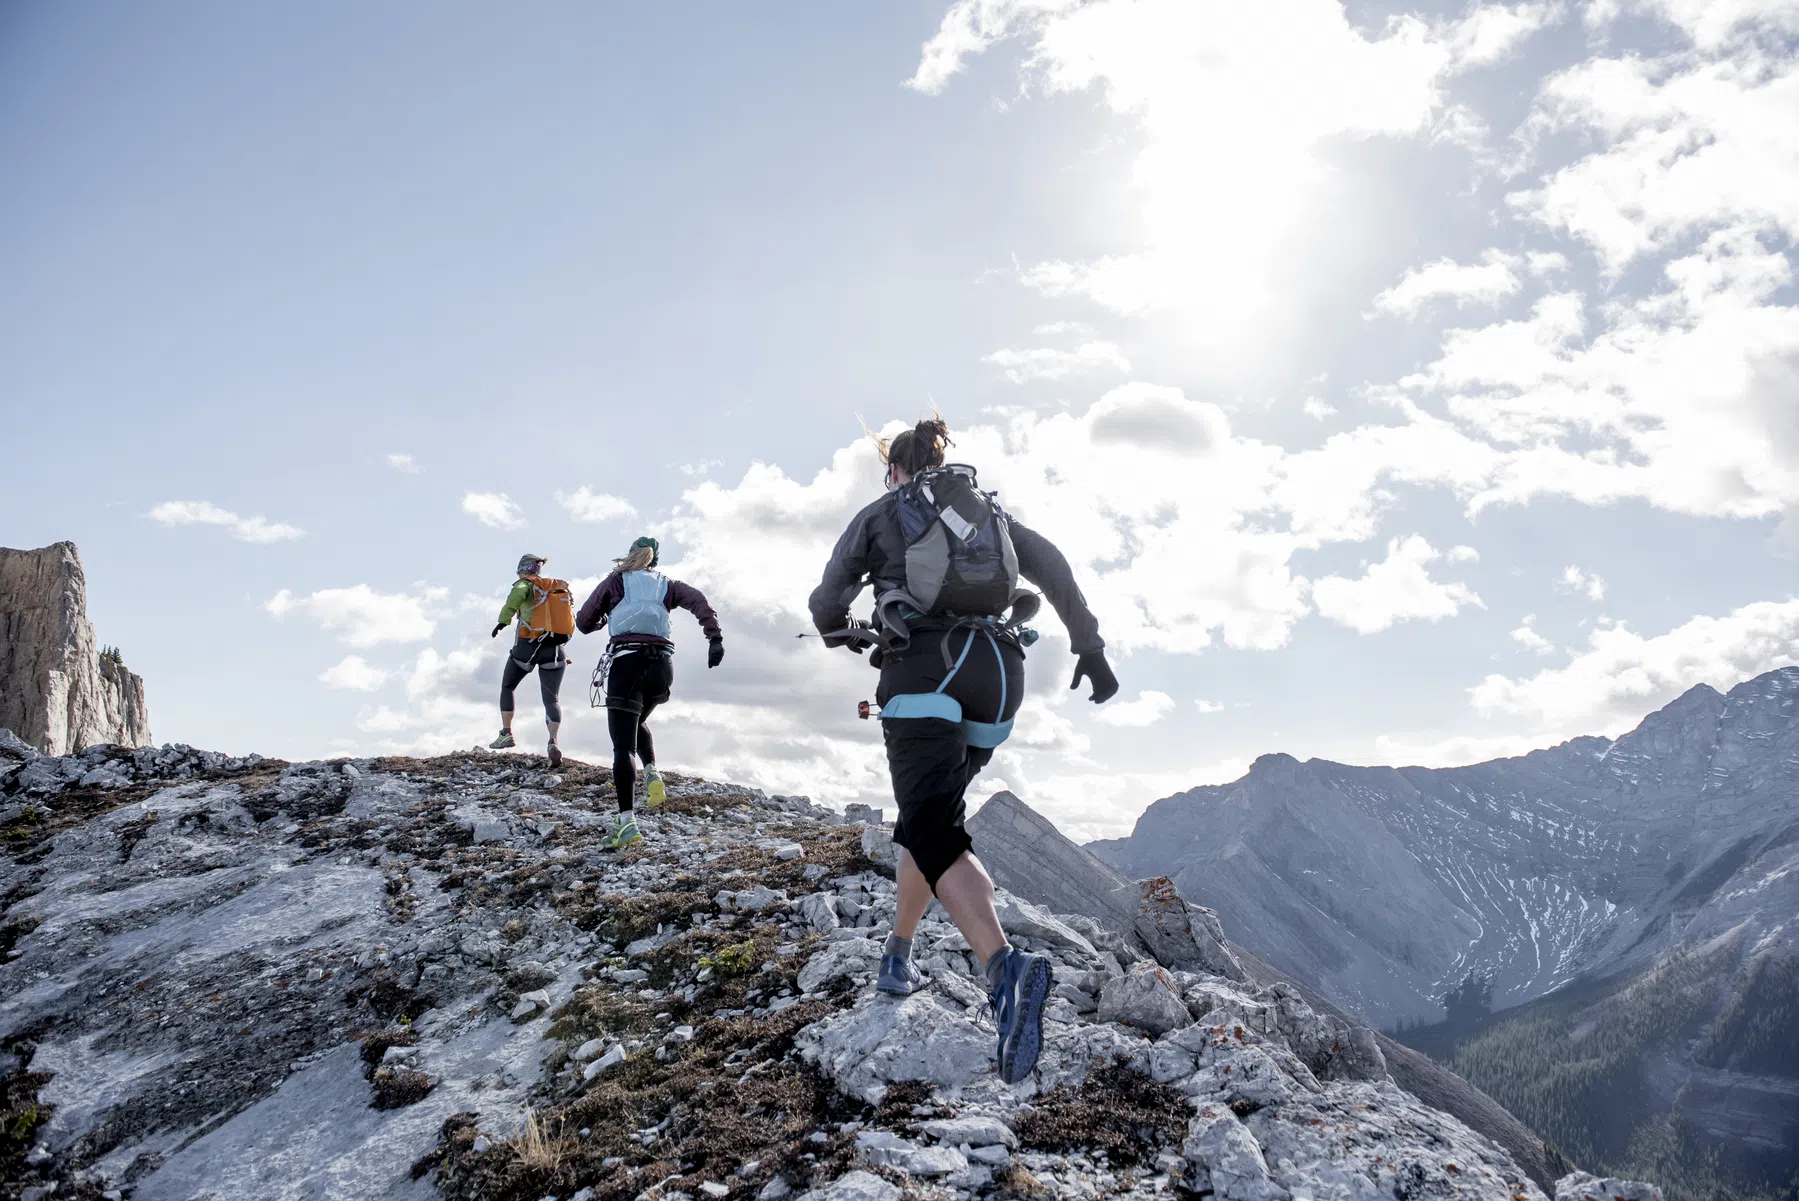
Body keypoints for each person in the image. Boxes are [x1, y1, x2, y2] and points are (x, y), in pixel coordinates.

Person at [809, 418, 1118, 1085]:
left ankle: (1002, 970)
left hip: (924, 667)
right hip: (999, 675)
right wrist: (1089, 647)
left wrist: (845, 632)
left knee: (929, 825)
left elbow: (825, 600)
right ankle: (898, 954)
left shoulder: (886, 511)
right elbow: (1055, 570)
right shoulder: (989, 516)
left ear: (895, 467)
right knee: (932, 819)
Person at [576, 535, 725, 849]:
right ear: (655, 560)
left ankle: (627, 822)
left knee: (622, 746)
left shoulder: (616, 582)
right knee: (636, 721)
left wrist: (604, 618)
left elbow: (584, 621)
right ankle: (652, 772)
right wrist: (714, 638)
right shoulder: (667, 584)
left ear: (631, 556)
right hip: (661, 670)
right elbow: (698, 600)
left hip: (627, 664)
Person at [489, 553, 574, 767]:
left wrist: (502, 621)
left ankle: (506, 733)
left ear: (523, 570)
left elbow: (514, 599)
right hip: (555, 648)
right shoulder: (555, 587)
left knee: (508, 686)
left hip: (528, 646)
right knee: (551, 699)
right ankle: (553, 742)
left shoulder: (525, 585)